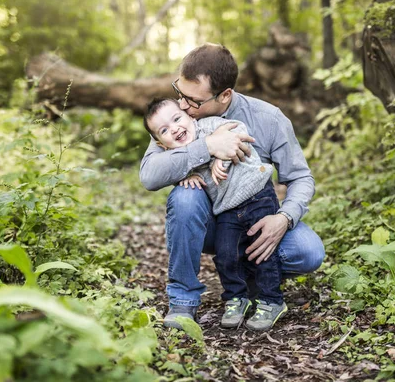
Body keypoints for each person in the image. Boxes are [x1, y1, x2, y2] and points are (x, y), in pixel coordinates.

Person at [139, 43, 325, 329]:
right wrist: (207, 146)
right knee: (185, 198)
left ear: (225, 95)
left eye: (194, 101)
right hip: (208, 224)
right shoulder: (174, 119)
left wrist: (284, 218)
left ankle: (251, 278)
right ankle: (183, 301)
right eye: (180, 93)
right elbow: (150, 175)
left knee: (307, 250)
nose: (184, 106)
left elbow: (300, 177)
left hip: (253, 218)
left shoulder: (268, 118)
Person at [144, 98, 286, 330]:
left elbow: (238, 129)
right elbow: (156, 174)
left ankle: (272, 300)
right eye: (165, 130)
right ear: (162, 144)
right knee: (226, 254)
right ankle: (236, 298)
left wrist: (221, 153)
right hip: (228, 208)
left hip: (257, 194)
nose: (175, 129)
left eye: (177, 119)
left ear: (190, 116)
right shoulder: (179, 155)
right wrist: (183, 177)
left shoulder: (209, 126)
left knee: (262, 249)